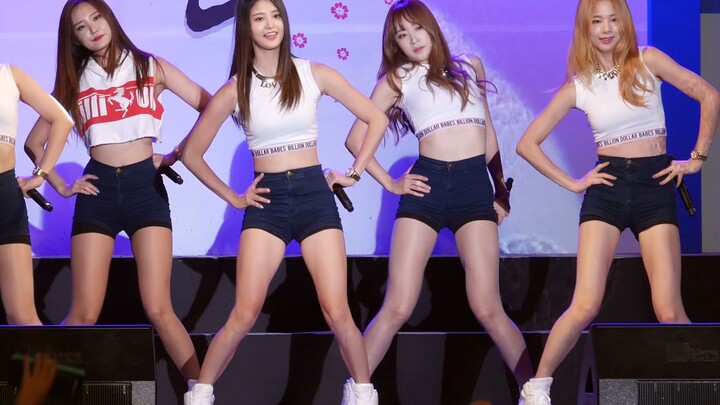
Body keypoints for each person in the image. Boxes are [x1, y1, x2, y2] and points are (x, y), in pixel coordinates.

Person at [180, 0, 388, 404]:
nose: (270, 24)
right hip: (268, 202)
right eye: (259, 18)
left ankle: (363, 395)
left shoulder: (313, 73)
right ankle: (200, 396)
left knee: (337, 311)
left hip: (314, 196)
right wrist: (234, 198)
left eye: (275, 15)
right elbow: (192, 154)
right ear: (247, 28)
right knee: (244, 313)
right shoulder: (235, 88)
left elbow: (375, 118)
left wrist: (356, 171)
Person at [515, 0, 719, 403]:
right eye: (597, 21)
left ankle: (703, 389)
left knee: (668, 310)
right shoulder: (579, 86)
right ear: (586, 28)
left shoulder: (648, 59)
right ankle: (536, 389)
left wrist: (698, 158)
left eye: (613, 19)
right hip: (607, 189)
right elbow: (527, 143)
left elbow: (708, 95)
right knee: (585, 303)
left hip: (654, 184)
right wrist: (573, 183)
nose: (606, 28)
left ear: (624, 22)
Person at [344, 0, 533, 396]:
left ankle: (535, 393)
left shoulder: (470, 66)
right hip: (427, 189)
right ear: (394, 43)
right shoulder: (397, 79)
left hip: (473, 187)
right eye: (402, 35)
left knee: (487, 307)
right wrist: (391, 183)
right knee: (398, 305)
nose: (413, 39)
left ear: (431, 27)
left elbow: (488, 134)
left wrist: (501, 190)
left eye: (417, 28)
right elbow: (355, 139)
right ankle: (357, 394)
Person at [24, 0, 211, 388]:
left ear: (109, 18)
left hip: (145, 189)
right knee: (84, 313)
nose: (92, 28)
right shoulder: (74, 82)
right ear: (73, 38)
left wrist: (177, 154)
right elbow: (34, 142)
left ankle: (200, 392)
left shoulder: (150, 66)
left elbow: (210, 106)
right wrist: (59, 184)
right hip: (99, 192)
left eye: (96, 17)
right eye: (80, 27)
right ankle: (35, 390)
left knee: (159, 309)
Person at [0, 63, 71, 325]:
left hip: (4, 195)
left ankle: (45, 357)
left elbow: (62, 120)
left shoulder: (9, 75)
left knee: (22, 316)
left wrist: (41, 174)